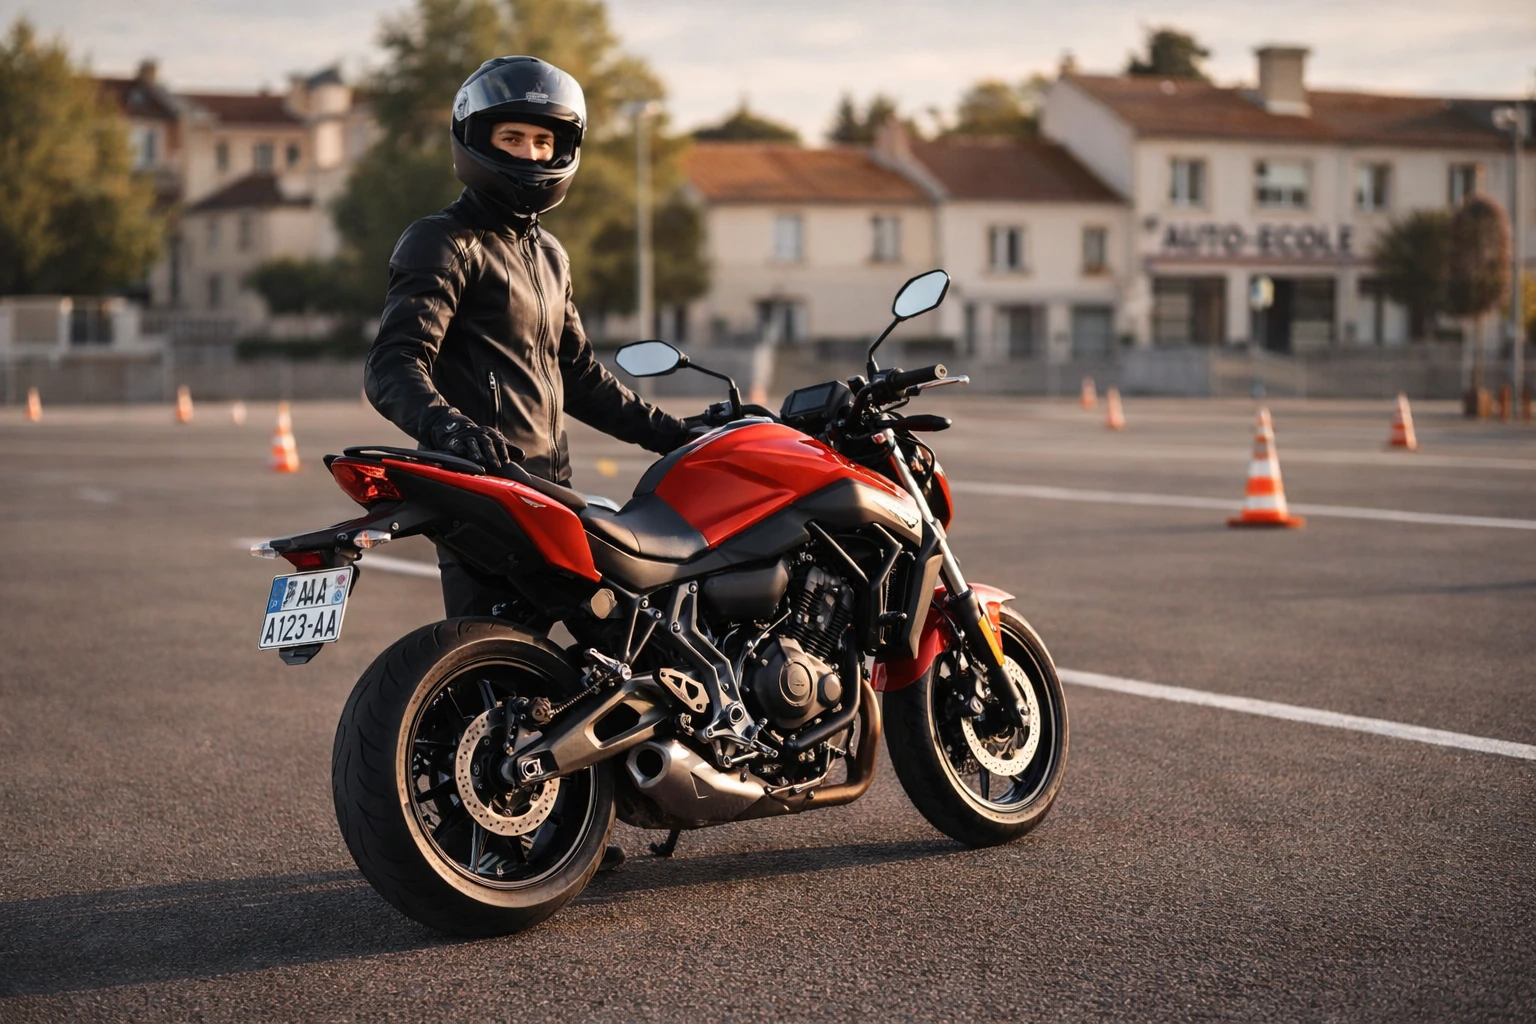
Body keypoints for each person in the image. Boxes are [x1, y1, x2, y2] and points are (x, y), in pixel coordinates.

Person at [364, 56, 692, 622]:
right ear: (475, 140)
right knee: (494, 658)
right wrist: (449, 427)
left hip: (550, 493)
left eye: (543, 140)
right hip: (483, 491)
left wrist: (680, 435)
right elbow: (393, 364)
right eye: (512, 137)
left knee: (624, 643)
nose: (531, 153)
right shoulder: (443, 241)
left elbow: (580, 377)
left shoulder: (549, 255)